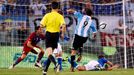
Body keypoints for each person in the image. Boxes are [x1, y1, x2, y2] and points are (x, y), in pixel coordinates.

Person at [40, 1, 66, 75]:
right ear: (58, 8)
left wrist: (45, 26)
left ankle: (56, 64)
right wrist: (63, 33)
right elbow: (64, 25)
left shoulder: (47, 15)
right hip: (56, 35)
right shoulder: (60, 16)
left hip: (49, 34)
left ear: (51, 7)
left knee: (49, 54)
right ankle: (45, 71)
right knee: (50, 54)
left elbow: (41, 25)